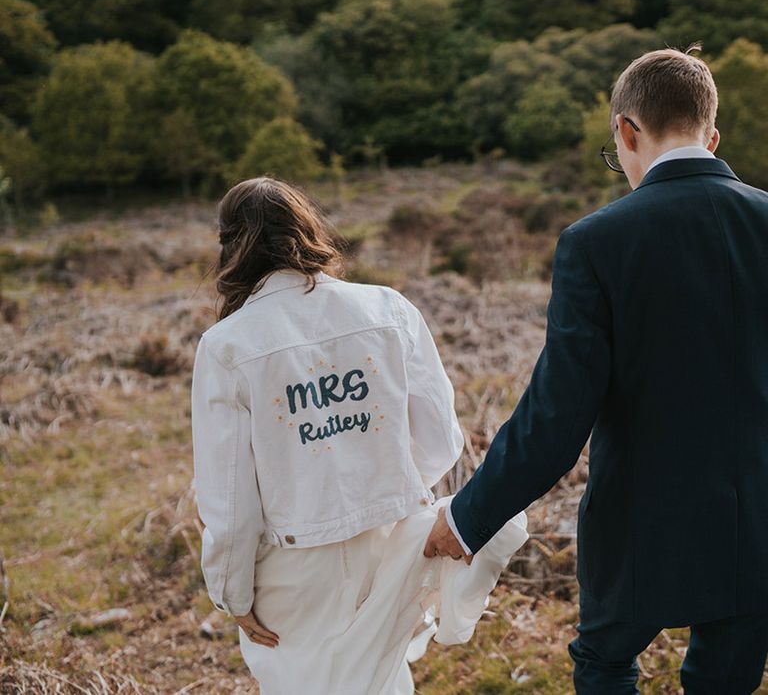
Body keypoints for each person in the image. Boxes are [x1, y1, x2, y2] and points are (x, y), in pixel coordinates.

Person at [425, 44, 768, 693]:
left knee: (606, 663)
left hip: (639, 524)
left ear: (627, 130)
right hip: (757, 517)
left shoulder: (597, 241)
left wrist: (469, 517)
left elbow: (557, 418)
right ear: (712, 134)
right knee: (726, 678)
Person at [190, 177, 528, 694]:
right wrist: (378, 487)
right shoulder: (388, 310)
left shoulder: (226, 346)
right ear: (307, 229)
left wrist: (231, 595)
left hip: (292, 572)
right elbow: (441, 439)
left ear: (232, 246)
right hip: (389, 546)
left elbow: (230, 502)